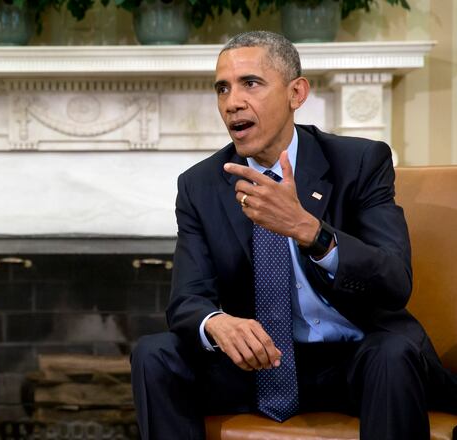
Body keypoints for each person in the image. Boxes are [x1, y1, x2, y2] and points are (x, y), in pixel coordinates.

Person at [131, 31, 457, 440]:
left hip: (354, 361)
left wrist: (309, 230)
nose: (232, 102)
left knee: (391, 353)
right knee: (154, 353)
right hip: (258, 366)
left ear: (296, 93)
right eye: (222, 88)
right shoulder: (201, 185)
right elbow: (186, 301)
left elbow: (394, 281)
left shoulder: (358, 162)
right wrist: (216, 323)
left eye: (250, 83)